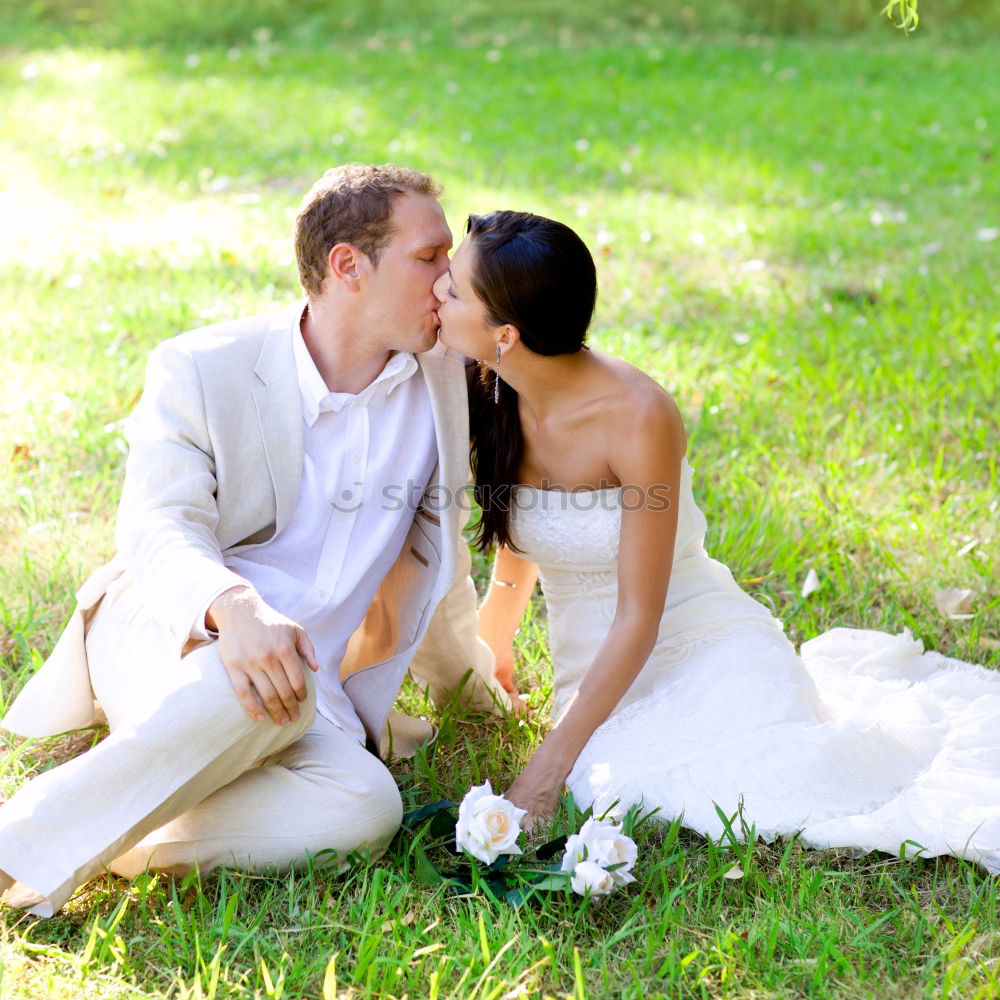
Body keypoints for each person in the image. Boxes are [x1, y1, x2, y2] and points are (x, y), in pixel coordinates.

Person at [0, 164, 511, 917]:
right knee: (260, 680)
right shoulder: (202, 365)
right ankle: (15, 849)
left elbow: (441, 568)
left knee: (365, 808)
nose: (448, 281)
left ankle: (115, 821)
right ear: (348, 266)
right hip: (173, 628)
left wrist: (473, 689)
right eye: (429, 257)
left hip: (307, 687)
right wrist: (233, 608)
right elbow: (157, 523)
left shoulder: (444, 383)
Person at [433, 209, 1000, 872]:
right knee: (620, 784)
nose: (436, 295)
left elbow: (640, 615)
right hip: (592, 665)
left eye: (453, 292)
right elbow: (521, 534)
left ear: (505, 333)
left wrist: (545, 767)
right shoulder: (490, 387)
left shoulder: (639, 416)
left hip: (697, 638)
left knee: (736, 782)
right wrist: (494, 649)